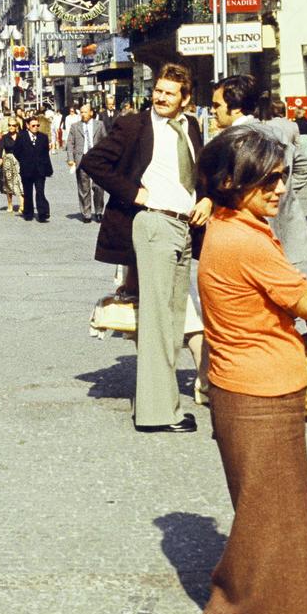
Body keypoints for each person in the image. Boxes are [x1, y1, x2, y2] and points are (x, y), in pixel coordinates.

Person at [186, 126, 307, 614]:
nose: (278, 188)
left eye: (282, 177)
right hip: (261, 390)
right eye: (264, 179)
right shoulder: (245, 240)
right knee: (274, 521)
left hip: (240, 386)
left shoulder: (227, 227)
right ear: (229, 182)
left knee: (264, 513)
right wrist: (300, 299)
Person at [80, 63, 211, 434]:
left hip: (185, 226)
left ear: (186, 98)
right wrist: (132, 192)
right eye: (158, 91)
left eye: (169, 93)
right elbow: (94, 162)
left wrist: (207, 200)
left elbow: (199, 174)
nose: (160, 97)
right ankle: (156, 414)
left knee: (172, 319)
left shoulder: (191, 127)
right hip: (153, 224)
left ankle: (165, 401)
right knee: (156, 320)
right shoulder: (135, 125)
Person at [257, 96, 307, 265]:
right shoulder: (292, 125)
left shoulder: (265, 128)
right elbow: (304, 162)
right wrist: (290, 185)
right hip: (286, 171)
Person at [65, 104, 107, 222]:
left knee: (98, 187)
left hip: (97, 160)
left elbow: (105, 141)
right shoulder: (75, 126)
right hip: (82, 159)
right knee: (84, 188)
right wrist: (70, 158)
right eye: (81, 112)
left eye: (85, 112)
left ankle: (99, 211)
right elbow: (70, 143)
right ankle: (86, 213)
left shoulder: (99, 125)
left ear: (91, 113)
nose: (82, 114)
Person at [0, 117, 24, 214]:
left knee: (20, 182)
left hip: (19, 161)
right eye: (9, 125)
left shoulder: (21, 136)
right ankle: (10, 204)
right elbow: (0, 149)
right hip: (8, 162)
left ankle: (22, 204)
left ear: (17, 126)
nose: (11, 127)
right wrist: (0, 158)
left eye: (13, 125)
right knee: (8, 183)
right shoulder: (5, 137)